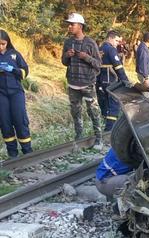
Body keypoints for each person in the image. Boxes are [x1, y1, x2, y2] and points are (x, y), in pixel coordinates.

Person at [61, 13, 102, 147]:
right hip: (73, 84)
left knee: (94, 112)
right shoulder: (68, 42)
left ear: (80, 26)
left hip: (88, 84)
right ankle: (79, 138)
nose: (70, 27)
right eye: (69, 24)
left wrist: (86, 57)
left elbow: (98, 64)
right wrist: (67, 55)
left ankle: (99, 139)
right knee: (75, 112)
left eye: (72, 24)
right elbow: (64, 62)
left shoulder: (90, 43)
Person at [0, 30, 32, 159]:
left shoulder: (15, 54)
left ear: (7, 42)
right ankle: (12, 154)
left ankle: (27, 152)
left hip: (16, 93)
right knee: (4, 122)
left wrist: (12, 69)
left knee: (20, 120)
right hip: (1, 94)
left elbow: (25, 72)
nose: (0, 47)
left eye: (3, 44)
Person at [96, 30, 129, 131]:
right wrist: (125, 80)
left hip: (99, 81)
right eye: (116, 40)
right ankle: (109, 130)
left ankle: (102, 127)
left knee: (104, 104)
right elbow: (118, 67)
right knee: (114, 106)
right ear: (110, 38)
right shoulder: (111, 50)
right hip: (111, 81)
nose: (118, 43)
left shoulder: (99, 48)